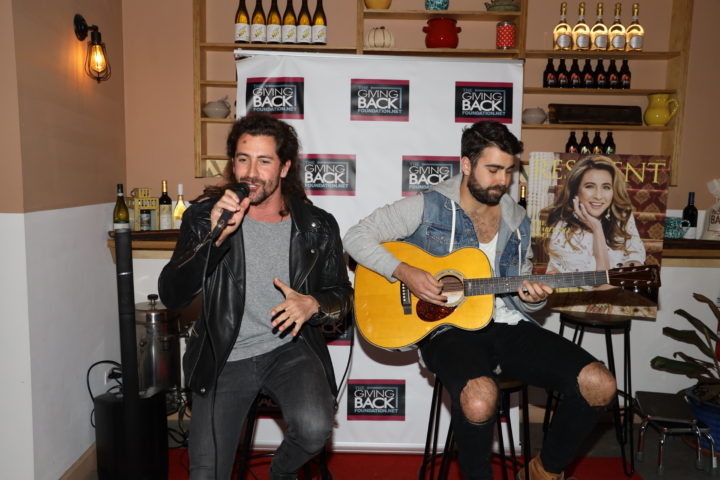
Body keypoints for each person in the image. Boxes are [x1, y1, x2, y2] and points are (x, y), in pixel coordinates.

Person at [343, 121, 617, 480]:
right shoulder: (428, 206)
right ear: (467, 165)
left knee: (599, 383)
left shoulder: (518, 219)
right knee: (478, 397)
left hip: (507, 325)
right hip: (446, 330)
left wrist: (533, 298)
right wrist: (405, 272)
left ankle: (543, 471)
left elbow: (523, 298)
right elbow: (356, 237)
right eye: (493, 169)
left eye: (509, 171)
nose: (502, 181)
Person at [159, 114, 353, 480]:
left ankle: (281, 473)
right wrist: (215, 238)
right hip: (224, 354)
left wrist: (313, 304)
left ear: (284, 168)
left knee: (314, 428)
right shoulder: (204, 217)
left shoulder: (316, 225)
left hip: (290, 350)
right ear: (232, 164)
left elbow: (342, 295)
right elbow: (172, 295)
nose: (251, 172)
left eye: (264, 161)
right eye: (243, 159)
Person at [543, 155, 646, 279]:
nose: (598, 196)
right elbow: (601, 281)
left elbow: (634, 256)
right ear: (575, 190)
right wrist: (597, 228)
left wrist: (633, 262)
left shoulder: (621, 216)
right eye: (590, 186)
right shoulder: (562, 226)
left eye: (606, 187)